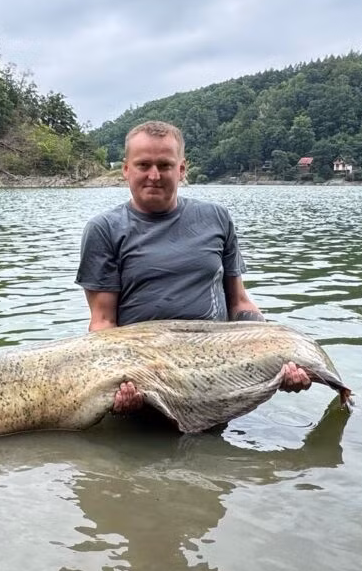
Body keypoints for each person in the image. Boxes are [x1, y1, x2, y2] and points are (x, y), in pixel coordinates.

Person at [75, 120, 310, 413]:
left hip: (218, 376)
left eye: (165, 165)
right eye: (143, 164)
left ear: (182, 169)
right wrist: (113, 382)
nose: (154, 175)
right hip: (145, 378)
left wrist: (276, 352)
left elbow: (238, 302)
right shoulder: (104, 229)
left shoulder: (217, 218)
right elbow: (103, 323)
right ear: (126, 169)